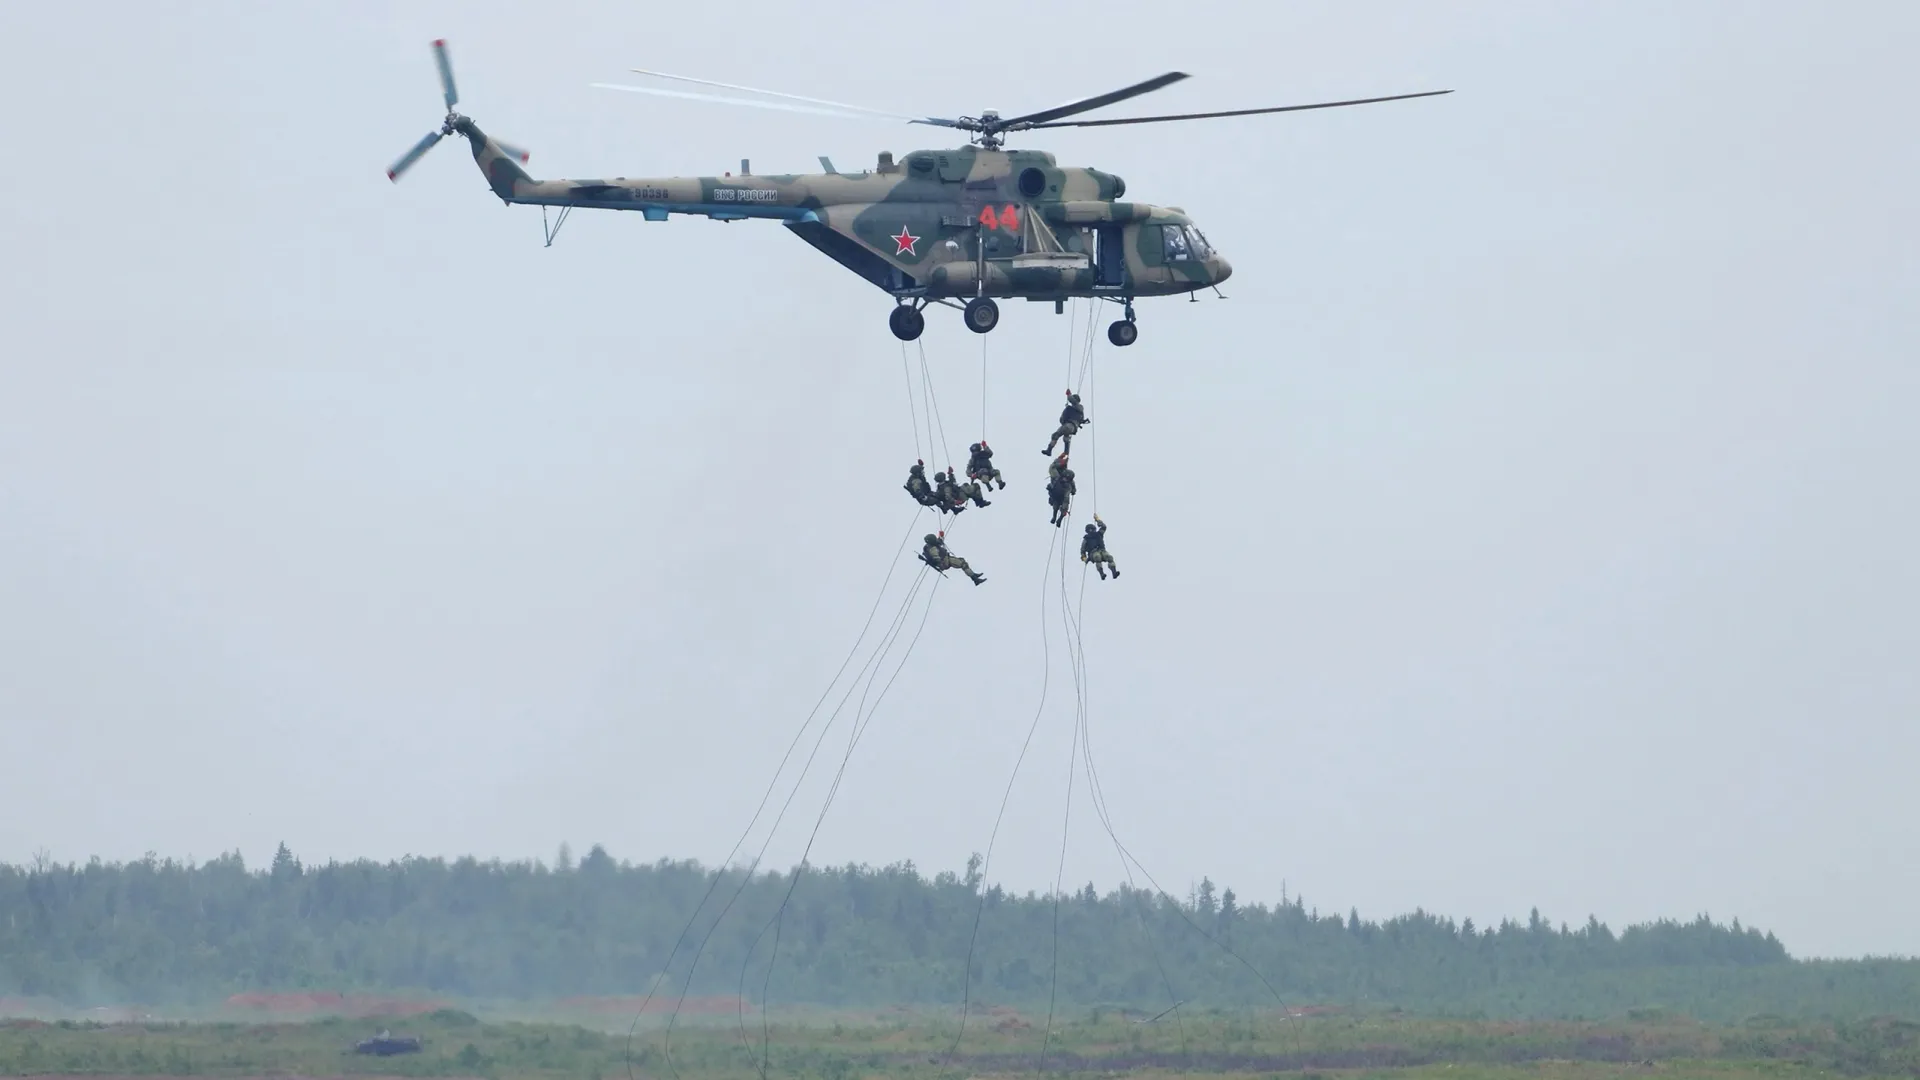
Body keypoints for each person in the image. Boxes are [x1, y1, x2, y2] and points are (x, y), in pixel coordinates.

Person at [1043, 391, 1088, 455]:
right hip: (1072, 427)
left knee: (1056, 435)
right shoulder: (1077, 411)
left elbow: (1071, 400)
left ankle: (1049, 450)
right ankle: (1066, 453)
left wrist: (1069, 394)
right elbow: (1062, 419)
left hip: (1069, 425)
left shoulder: (1079, 407)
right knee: (1066, 437)